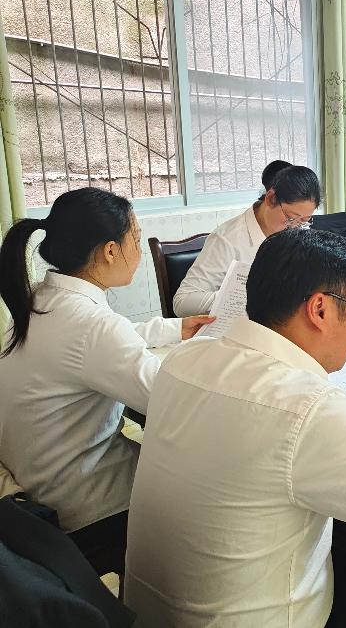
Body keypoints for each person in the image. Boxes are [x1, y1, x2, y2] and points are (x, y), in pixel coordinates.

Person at [125, 229, 346, 628]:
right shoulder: (309, 408)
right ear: (319, 309)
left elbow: (250, 443)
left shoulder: (184, 357)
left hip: (150, 613)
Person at [0, 188, 212, 537]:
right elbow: (170, 398)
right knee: (206, 475)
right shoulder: (92, 326)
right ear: (110, 251)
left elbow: (105, 341)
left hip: (33, 474)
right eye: (136, 240)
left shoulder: (41, 297)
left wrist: (177, 328)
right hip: (80, 497)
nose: (138, 252)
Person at [173, 163, 321, 316]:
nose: (295, 227)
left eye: (304, 220)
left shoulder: (300, 230)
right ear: (270, 198)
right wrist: (245, 296)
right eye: (290, 218)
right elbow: (182, 303)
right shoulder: (227, 239)